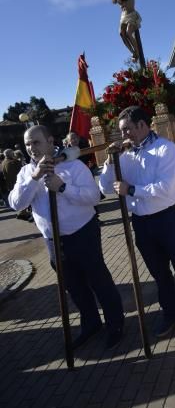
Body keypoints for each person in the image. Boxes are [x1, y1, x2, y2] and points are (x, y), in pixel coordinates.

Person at [9, 125, 124, 349]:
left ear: (51, 142)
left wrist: (62, 188)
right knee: (74, 287)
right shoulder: (25, 173)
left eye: (36, 142)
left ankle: (115, 323)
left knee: (99, 280)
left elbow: (93, 197)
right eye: (28, 144)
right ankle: (91, 324)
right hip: (54, 241)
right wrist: (34, 178)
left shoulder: (74, 166)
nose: (31, 148)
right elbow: (16, 203)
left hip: (83, 233)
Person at [99, 106, 175, 337]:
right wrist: (110, 161)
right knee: (159, 273)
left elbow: (166, 188)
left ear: (142, 125)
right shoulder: (124, 156)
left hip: (169, 218)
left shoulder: (166, 150)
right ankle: (171, 313)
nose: (124, 135)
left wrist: (132, 190)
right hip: (141, 223)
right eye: (121, 131)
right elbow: (105, 188)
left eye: (127, 129)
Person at [91, 0, 165, 62]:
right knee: (122, 33)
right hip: (123, 16)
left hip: (132, 14)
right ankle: (133, 52)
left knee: (129, 32)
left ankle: (137, 53)